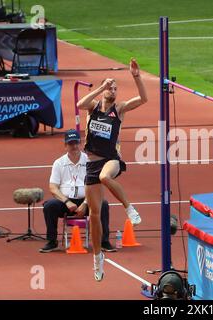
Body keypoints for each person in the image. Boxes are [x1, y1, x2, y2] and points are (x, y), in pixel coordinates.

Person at [77, 58, 148, 281]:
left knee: (105, 176)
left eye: (116, 88)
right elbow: (80, 104)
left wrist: (136, 76)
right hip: (92, 161)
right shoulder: (93, 106)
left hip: (111, 159)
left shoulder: (119, 109)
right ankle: (98, 260)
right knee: (94, 216)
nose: (113, 90)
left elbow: (144, 99)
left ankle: (129, 208)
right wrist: (100, 87)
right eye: (111, 87)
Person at [40, 129, 116, 253]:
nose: (74, 146)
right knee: (49, 206)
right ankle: (52, 241)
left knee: (103, 204)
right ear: (65, 145)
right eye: (70, 143)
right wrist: (67, 202)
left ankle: (104, 241)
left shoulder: (90, 161)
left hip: (87, 200)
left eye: (76, 143)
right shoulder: (59, 163)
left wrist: (85, 203)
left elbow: (97, 184)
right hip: (66, 202)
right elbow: (53, 187)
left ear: (80, 143)